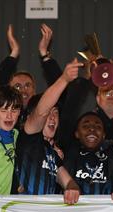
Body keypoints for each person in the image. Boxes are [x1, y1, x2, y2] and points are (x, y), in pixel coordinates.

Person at [14, 60, 82, 203]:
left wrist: (72, 188)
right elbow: (40, 112)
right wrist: (64, 79)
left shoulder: (52, 153)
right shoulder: (27, 139)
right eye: (48, 113)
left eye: (55, 113)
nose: (52, 117)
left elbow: (68, 181)